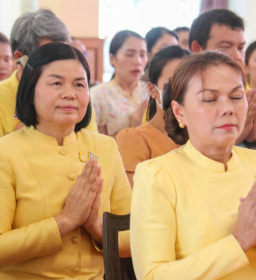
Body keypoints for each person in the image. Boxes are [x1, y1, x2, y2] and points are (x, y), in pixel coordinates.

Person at [0, 42, 131, 279]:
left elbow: (134, 237)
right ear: (30, 90)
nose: (70, 93)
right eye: (56, 83)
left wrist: (96, 227)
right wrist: (65, 221)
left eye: (79, 84)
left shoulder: (105, 147)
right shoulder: (2, 154)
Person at [131, 51, 256, 279]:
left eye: (237, 97)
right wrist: (238, 242)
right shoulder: (158, 175)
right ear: (180, 112)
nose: (228, 108)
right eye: (210, 99)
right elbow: (152, 275)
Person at [0, 9, 97, 164]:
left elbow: (93, 151)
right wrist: (34, 103)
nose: (61, 64)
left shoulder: (76, 94)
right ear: (20, 58)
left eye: (65, 53)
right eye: (49, 57)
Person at [117, 45, 189, 186]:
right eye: (172, 83)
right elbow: (135, 199)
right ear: (153, 90)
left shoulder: (202, 137)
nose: (180, 90)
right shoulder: (135, 138)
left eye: (188, 84)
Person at [189, 9, 256, 145]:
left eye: (241, 47)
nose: (237, 56)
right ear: (197, 48)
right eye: (226, 47)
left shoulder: (249, 94)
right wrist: (236, 137)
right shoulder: (183, 93)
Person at [90, 30, 149, 136]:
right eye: (130, 54)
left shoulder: (151, 92)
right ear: (112, 58)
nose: (138, 61)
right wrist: (133, 129)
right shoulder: (97, 96)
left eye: (142, 55)